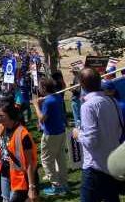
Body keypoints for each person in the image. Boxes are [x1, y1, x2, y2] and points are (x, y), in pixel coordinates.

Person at [73, 68, 124, 202]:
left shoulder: (88, 106)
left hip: (94, 168)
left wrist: (78, 134)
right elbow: (120, 129)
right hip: (111, 164)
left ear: (82, 85)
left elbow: (91, 141)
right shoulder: (112, 101)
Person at [0, 102, 38, 202]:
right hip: (4, 172)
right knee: (5, 199)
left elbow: (30, 163)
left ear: (10, 115)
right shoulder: (1, 127)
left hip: (20, 178)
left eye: (1, 116)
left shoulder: (23, 135)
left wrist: (32, 187)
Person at [32, 78, 68, 196]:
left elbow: (42, 119)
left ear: (44, 88)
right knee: (60, 158)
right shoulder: (57, 97)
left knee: (46, 160)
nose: (38, 89)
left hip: (51, 134)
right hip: (61, 131)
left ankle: (56, 186)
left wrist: (36, 105)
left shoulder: (48, 101)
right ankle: (64, 183)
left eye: (40, 87)